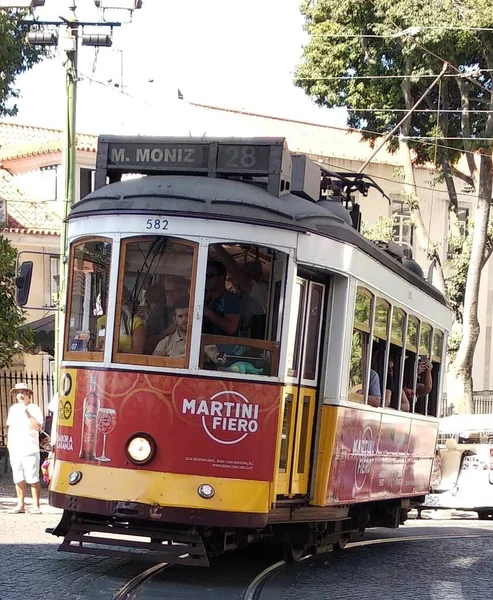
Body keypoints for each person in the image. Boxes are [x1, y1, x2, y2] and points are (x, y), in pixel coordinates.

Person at [6, 383, 43, 514]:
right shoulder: (13, 409)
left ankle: (36, 505)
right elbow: (10, 427)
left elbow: (38, 427)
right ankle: (20, 504)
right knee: (18, 477)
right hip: (16, 447)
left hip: (30, 447)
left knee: (33, 478)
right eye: (18, 392)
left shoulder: (34, 408)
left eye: (23, 392)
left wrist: (28, 414)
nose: (21, 395)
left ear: (28, 394)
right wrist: (9, 444)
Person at [202, 260, 241, 337]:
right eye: (203, 275)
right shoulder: (202, 297)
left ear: (221, 277)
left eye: (210, 275)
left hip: (222, 347)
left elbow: (231, 328)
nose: (206, 279)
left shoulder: (230, 298)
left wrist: (207, 312)